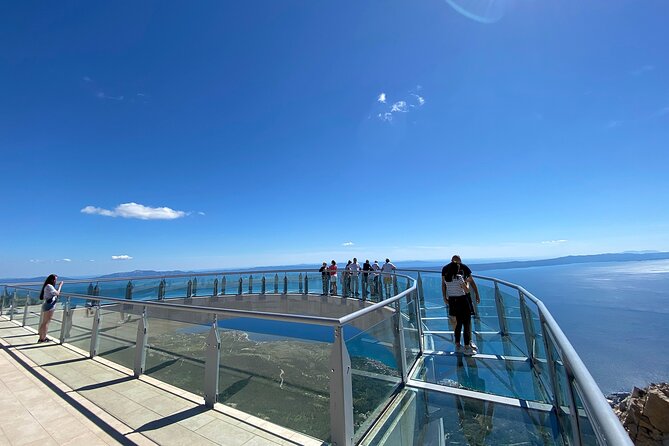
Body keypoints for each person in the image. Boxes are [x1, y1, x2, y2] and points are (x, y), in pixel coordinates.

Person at [442, 260, 476, 355]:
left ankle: (457, 345)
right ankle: (467, 347)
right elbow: (467, 290)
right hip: (462, 302)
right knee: (467, 324)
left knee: (458, 324)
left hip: (453, 302)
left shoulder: (447, 279)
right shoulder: (459, 277)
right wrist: (467, 282)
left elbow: (448, 289)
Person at [452, 255, 481, 351]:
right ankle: (465, 344)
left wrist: (477, 293)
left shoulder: (463, 268)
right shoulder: (451, 271)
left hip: (459, 299)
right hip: (462, 299)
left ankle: (462, 342)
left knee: (462, 321)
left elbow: (472, 281)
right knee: (464, 322)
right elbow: (469, 285)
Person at [37, 274, 63, 343]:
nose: (55, 281)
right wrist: (60, 286)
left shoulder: (47, 286)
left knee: (44, 322)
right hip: (49, 306)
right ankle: (43, 338)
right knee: (46, 323)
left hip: (46, 305)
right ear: (52, 280)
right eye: (55, 279)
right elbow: (57, 293)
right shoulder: (49, 286)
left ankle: (41, 337)